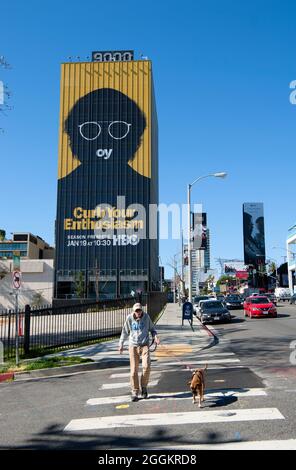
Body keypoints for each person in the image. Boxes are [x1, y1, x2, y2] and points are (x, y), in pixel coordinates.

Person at [119, 302, 160, 402]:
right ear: (134, 311)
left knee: (146, 367)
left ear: (142, 310)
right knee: (133, 371)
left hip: (144, 345)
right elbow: (124, 331)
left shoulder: (146, 317)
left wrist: (156, 337)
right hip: (133, 346)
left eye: (140, 310)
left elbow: (152, 329)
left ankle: (144, 387)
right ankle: (135, 390)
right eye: (136, 311)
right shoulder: (129, 318)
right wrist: (121, 344)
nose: (138, 312)